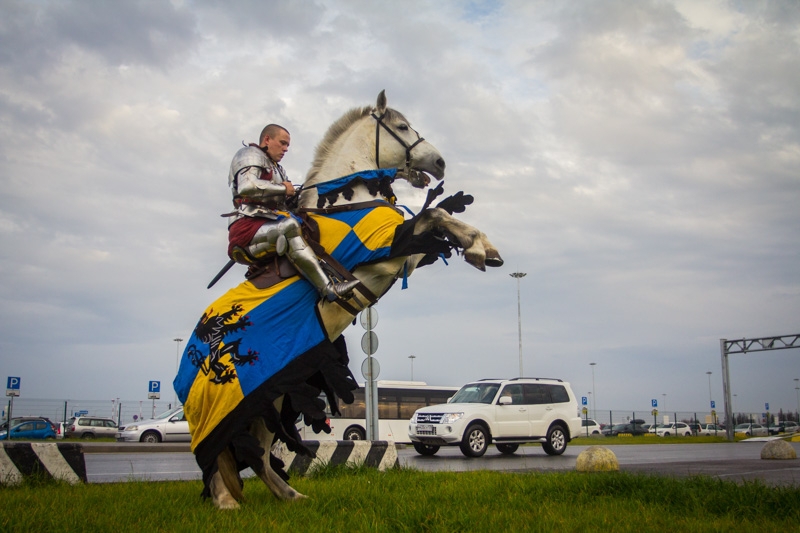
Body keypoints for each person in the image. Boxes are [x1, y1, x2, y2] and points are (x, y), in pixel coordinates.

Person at [226, 124, 359, 301]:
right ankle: (328, 289)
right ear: (267, 139)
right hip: (247, 227)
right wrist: (282, 189)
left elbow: (285, 203)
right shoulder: (249, 155)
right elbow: (246, 187)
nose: (285, 149)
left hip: (269, 222)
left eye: (287, 145)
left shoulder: (278, 169)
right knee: (289, 225)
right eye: (282, 143)